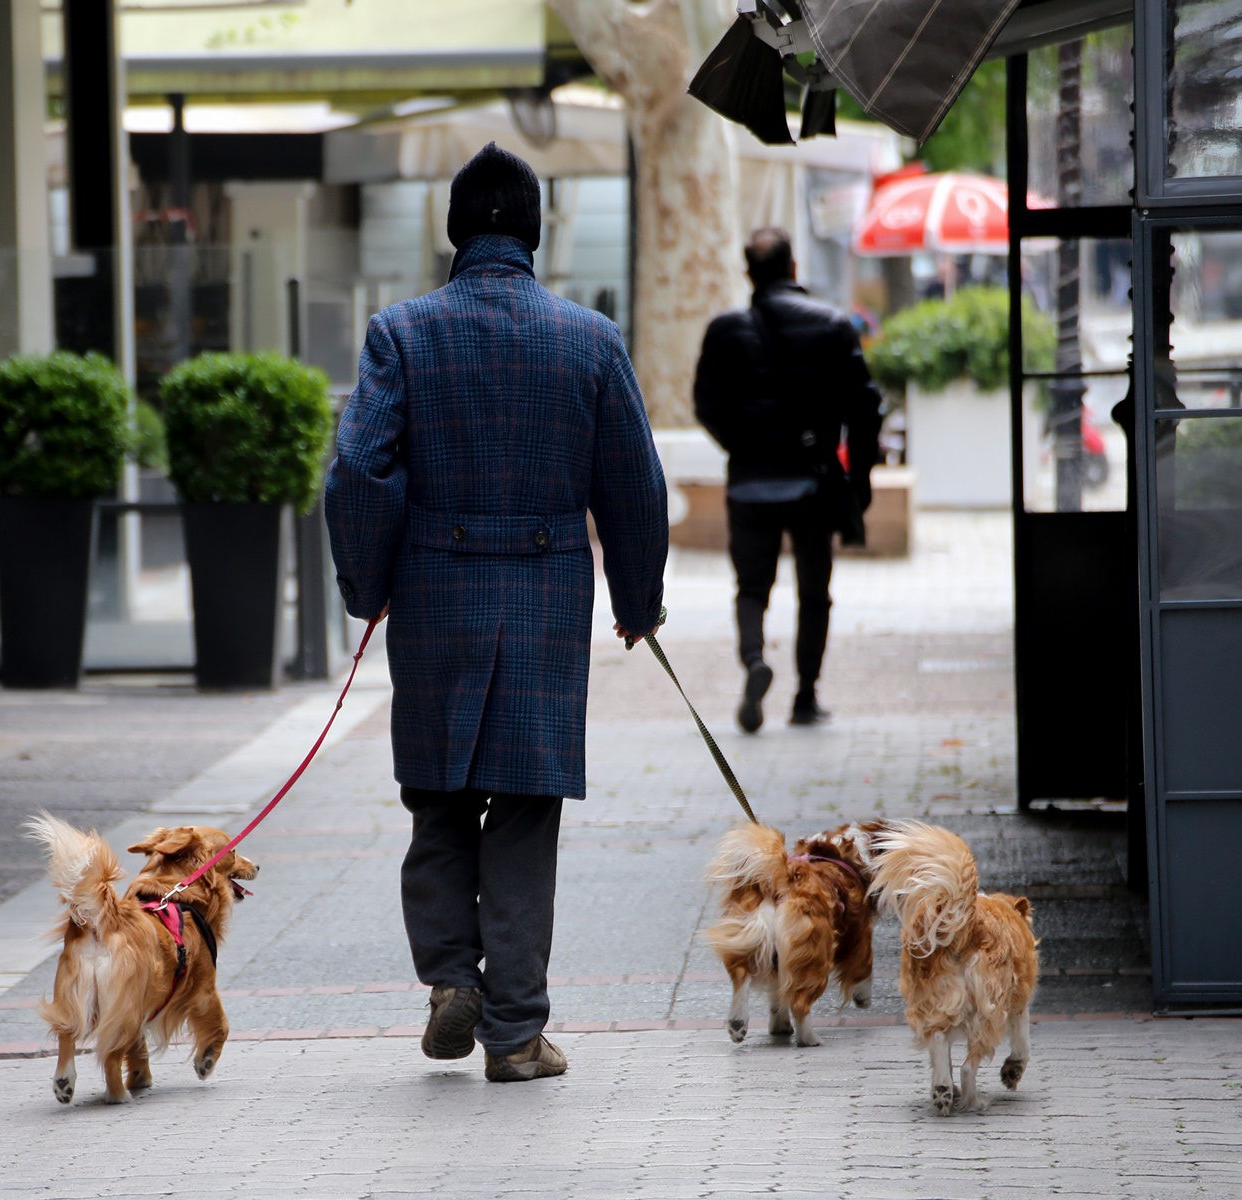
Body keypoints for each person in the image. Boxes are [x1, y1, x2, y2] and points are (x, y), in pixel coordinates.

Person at [325, 142, 668, 1083]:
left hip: (436, 598)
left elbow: (358, 471)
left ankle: (449, 980)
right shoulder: (588, 339)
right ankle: (516, 1035)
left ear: (452, 234)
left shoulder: (402, 332)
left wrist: (370, 583)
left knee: (437, 799)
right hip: (546, 600)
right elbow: (635, 486)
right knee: (522, 812)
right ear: (534, 233)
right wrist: (639, 599)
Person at [693, 227, 882, 732]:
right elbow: (865, 407)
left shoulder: (723, 330)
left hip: (749, 482)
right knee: (813, 590)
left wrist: (742, 445)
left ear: (748, 273)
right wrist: (859, 480)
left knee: (751, 586)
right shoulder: (834, 325)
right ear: (794, 268)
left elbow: (705, 404)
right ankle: (804, 696)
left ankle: (755, 659)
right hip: (813, 481)